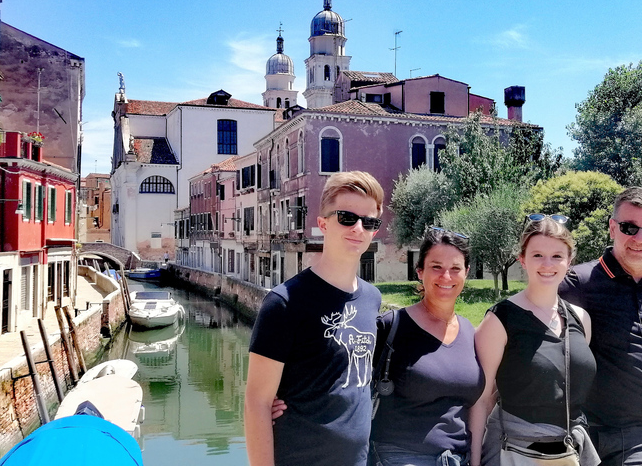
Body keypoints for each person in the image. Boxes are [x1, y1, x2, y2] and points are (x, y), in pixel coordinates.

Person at [244, 171, 385, 466]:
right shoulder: (284, 303)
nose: (358, 228)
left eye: (369, 222)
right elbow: (257, 404)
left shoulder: (372, 299)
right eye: (347, 217)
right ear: (322, 224)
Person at [469, 215, 598, 466]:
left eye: (557, 256)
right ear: (522, 260)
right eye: (537, 255)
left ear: (570, 261)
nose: (547, 264)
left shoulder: (581, 318)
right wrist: (474, 462)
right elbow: (482, 400)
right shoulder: (499, 320)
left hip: (569, 451)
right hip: (516, 451)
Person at [368, 227, 485, 466]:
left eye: (455, 269)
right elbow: (343, 375)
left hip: (457, 458)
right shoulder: (392, 327)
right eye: (436, 267)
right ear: (420, 271)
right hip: (400, 457)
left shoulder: (469, 332)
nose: (446, 277)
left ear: (467, 273)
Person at [559, 187, 642, 466]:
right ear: (612, 228)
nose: (638, 239)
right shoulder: (579, 282)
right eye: (629, 227)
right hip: (596, 434)